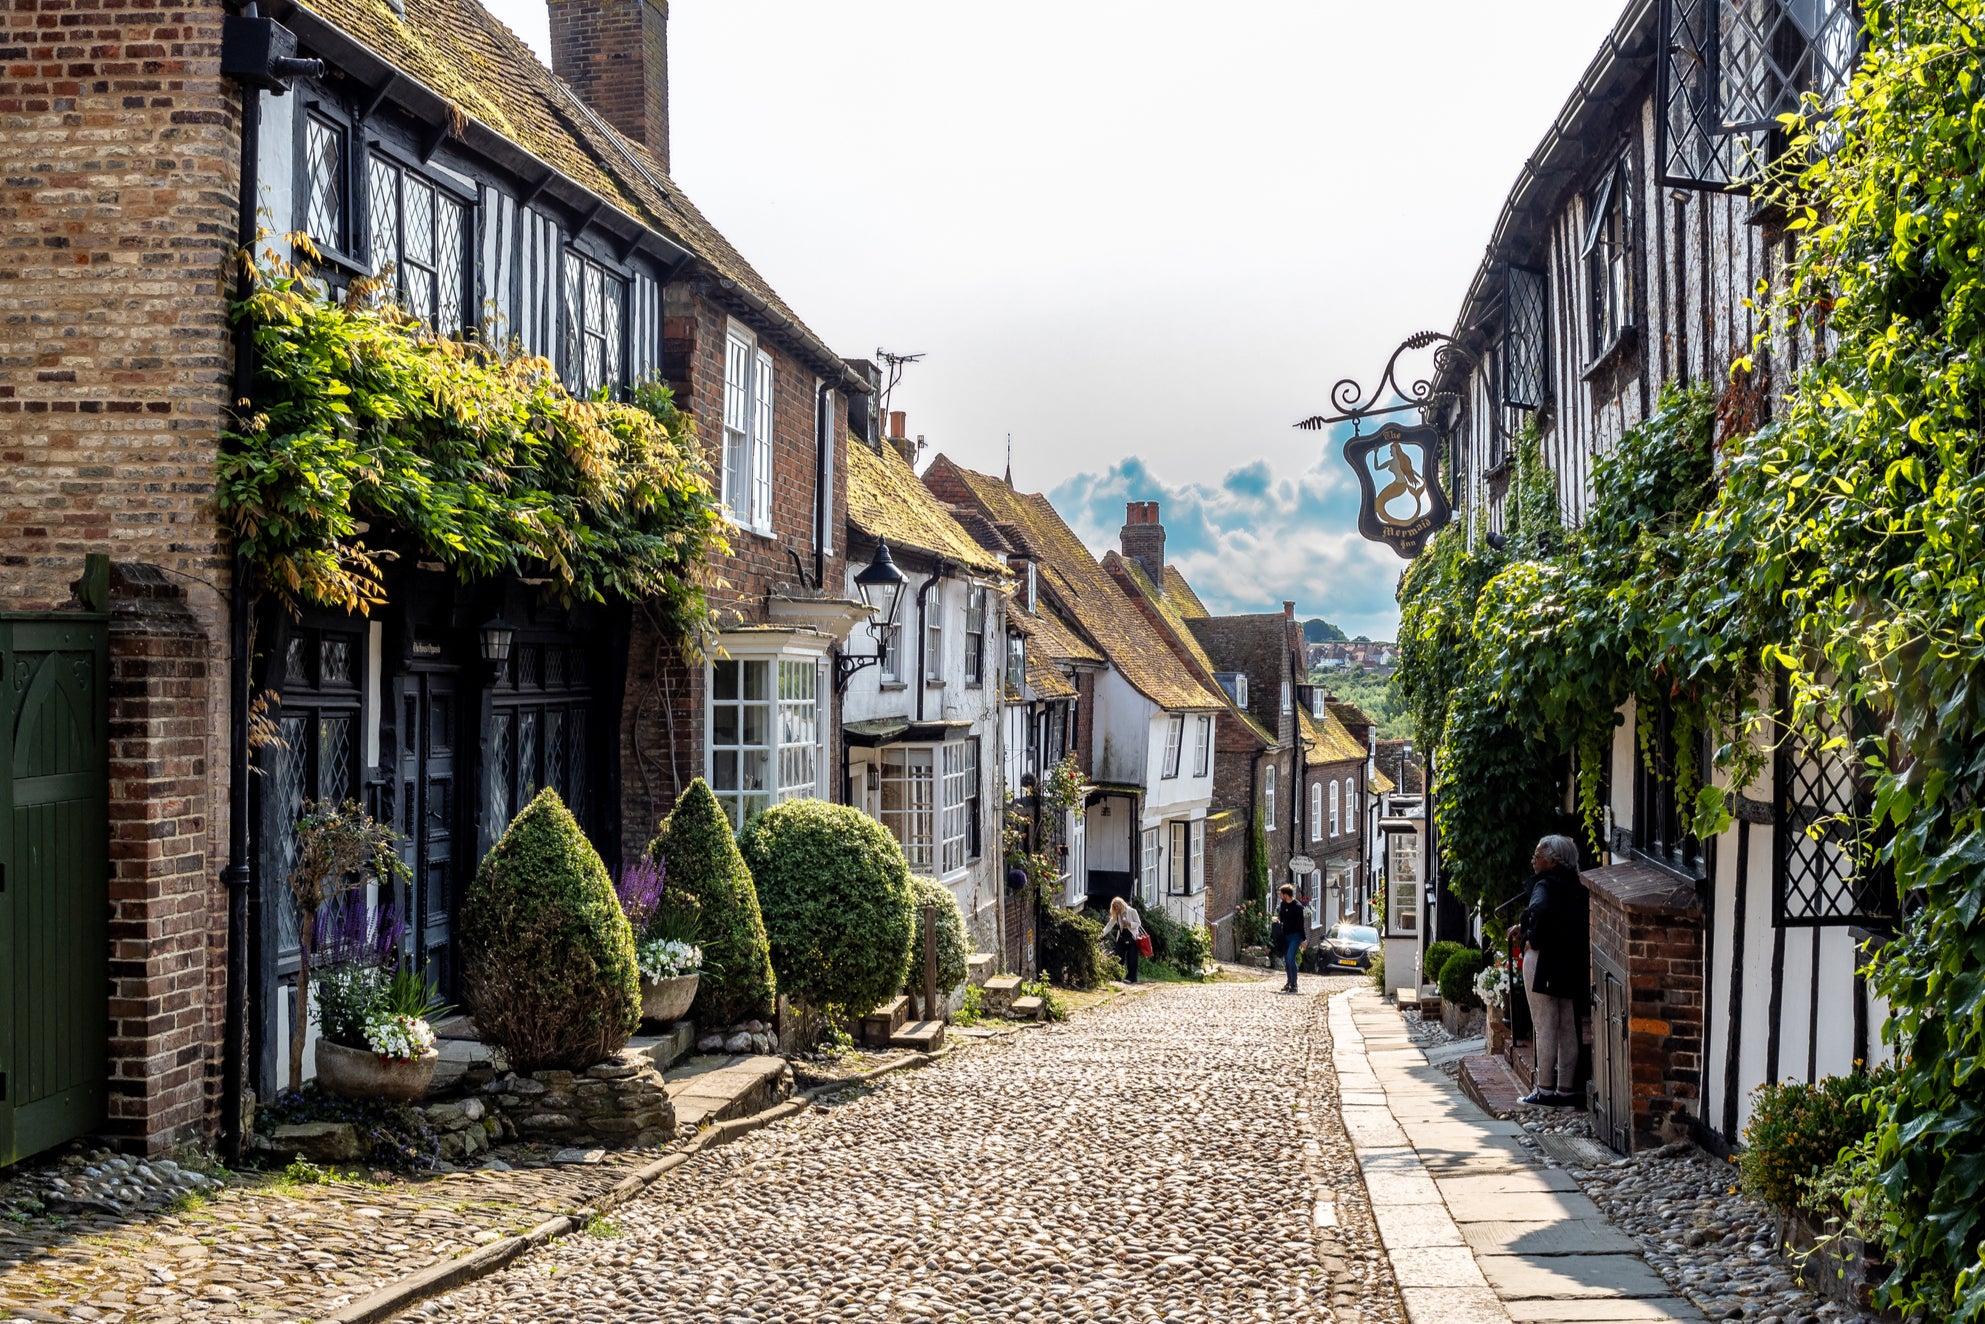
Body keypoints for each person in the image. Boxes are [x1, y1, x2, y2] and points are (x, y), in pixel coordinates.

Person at [1517, 834, 1589, 1107]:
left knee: (1545, 1025)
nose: (1534, 861)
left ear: (1552, 861)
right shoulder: (1576, 885)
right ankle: (1566, 1090)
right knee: (1567, 1026)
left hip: (1543, 959)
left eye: (1537, 856)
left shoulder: (1544, 885)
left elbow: (1540, 910)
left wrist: (1530, 936)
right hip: (1569, 958)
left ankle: (1544, 1090)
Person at [1099, 895, 1144, 984]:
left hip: (1132, 936)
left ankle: (1131, 977)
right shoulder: (1117, 914)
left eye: (1117, 905)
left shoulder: (1131, 911)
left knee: (1132, 958)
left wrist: (1129, 923)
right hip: (1122, 936)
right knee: (1118, 956)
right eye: (1114, 906)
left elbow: (1138, 923)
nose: (1116, 907)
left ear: (1122, 904)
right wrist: (1101, 934)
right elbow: (1109, 925)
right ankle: (1117, 975)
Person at [1272, 883, 1307, 993]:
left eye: (1281, 894)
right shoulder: (1283, 905)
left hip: (1295, 936)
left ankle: (1294, 984)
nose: (1279, 896)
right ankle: (1289, 982)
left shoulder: (1297, 907)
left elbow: (1301, 924)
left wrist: (1303, 939)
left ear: (1286, 894)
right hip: (1285, 935)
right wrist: (1277, 921)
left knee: (1291, 957)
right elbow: (1282, 919)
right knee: (1287, 959)